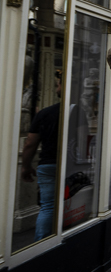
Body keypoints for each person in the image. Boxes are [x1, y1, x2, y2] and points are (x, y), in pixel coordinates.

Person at [20, 71, 61, 241]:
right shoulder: (77, 111)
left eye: (58, 84)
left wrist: (25, 166)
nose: (57, 88)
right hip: (68, 165)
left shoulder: (44, 114)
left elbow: (30, 143)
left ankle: (41, 243)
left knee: (48, 206)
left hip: (47, 165)